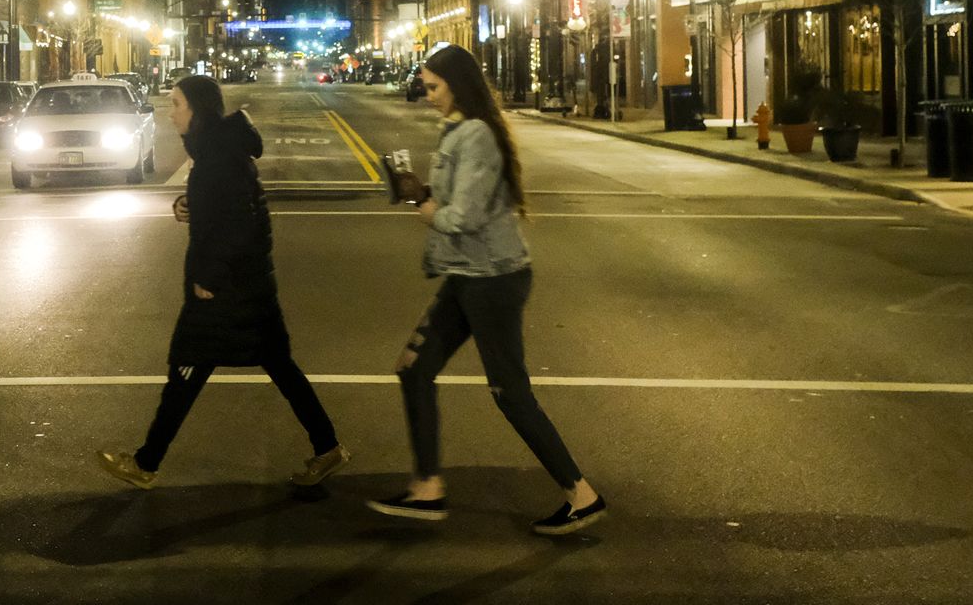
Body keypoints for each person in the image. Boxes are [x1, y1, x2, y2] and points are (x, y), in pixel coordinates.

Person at [368, 44, 607, 536]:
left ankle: (581, 495)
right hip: (467, 275)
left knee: (510, 393)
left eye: (434, 86)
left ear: (458, 84)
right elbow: (457, 203)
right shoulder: (460, 130)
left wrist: (421, 202)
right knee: (413, 370)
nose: (427, 95)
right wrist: (424, 191)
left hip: (494, 278)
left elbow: (464, 217)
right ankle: (428, 490)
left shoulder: (474, 135)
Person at [97, 74, 350, 489]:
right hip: (247, 287)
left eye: (176, 103)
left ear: (196, 109)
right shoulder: (218, 148)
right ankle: (328, 447)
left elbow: (239, 222)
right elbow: (226, 208)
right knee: (273, 367)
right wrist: (189, 204)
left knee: (187, 368)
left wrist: (208, 277)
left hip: (227, 290)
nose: (171, 110)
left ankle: (146, 462)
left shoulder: (219, 155)